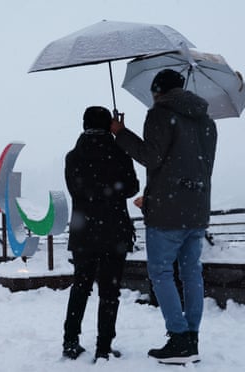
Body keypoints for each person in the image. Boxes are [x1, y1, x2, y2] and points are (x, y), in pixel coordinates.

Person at [111, 69, 217, 365]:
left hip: (167, 213)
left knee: (160, 272)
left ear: (158, 90)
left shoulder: (160, 114)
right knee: (191, 272)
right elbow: (198, 168)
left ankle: (179, 338)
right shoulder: (207, 122)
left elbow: (151, 157)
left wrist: (120, 134)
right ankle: (191, 337)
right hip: (196, 209)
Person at [62, 106, 139, 362]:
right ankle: (103, 348)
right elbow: (132, 188)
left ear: (83, 125)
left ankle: (70, 341)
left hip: (84, 232)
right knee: (109, 292)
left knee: (81, 287)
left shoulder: (72, 157)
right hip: (114, 232)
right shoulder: (119, 152)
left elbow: (76, 191)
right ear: (109, 125)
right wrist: (121, 136)